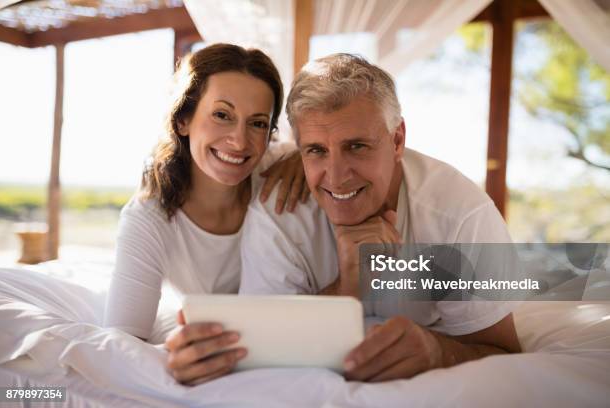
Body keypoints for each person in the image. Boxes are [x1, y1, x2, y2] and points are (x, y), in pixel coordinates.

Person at [240, 53, 521, 382]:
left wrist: (438, 352)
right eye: (316, 150)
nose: (337, 176)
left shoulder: (459, 214)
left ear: (397, 140)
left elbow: (504, 353)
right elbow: (263, 344)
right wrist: (346, 285)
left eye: (356, 146)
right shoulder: (277, 211)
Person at [104, 43, 308, 385]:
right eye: (222, 115)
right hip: (227, 340)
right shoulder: (148, 218)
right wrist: (170, 361)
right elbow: (122, 340)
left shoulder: (283, 169)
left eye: (257, 123)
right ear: (183, 119)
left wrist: (310, 158)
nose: (240, 142)